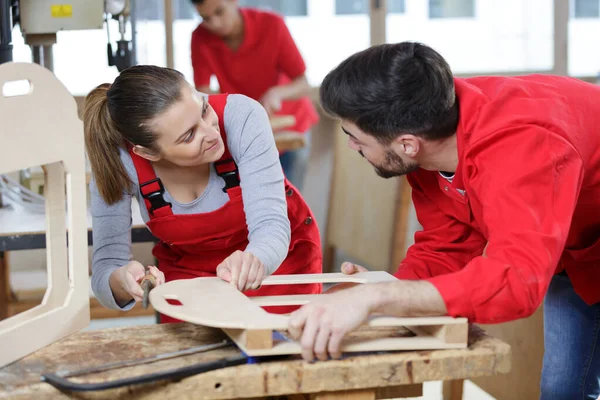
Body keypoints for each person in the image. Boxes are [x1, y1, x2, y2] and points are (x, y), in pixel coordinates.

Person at [286, 42, 600, 399]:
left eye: (355, 138)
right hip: (578, 252)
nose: (353, 148)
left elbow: (516, 282)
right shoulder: (428, 132)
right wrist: (369, 296)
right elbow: (444, 245)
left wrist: (382, 298)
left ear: (407, 144)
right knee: (562, 390)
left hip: (575, 244)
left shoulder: (523, 149)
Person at [84, 65, 322, 322]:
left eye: (204, 110)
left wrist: (256, 259)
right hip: (189, 277)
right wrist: (122, 280)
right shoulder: (118, 163)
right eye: (188, 136)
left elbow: (270, 225)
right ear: (147, 153)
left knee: (279, 352)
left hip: (278, 266)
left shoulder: (242, 116)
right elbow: (105, 270)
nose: (211, 133)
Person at [189, 0, 319, 191]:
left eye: (219, 12)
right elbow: (203, 93)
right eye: (206, 18)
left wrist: (276, 93)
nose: (215, 23)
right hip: (248, 129)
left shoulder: (272, 24)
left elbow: (303, 83)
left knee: (291, 199)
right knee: (255, 197)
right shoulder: (200, 37)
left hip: (291, 123)